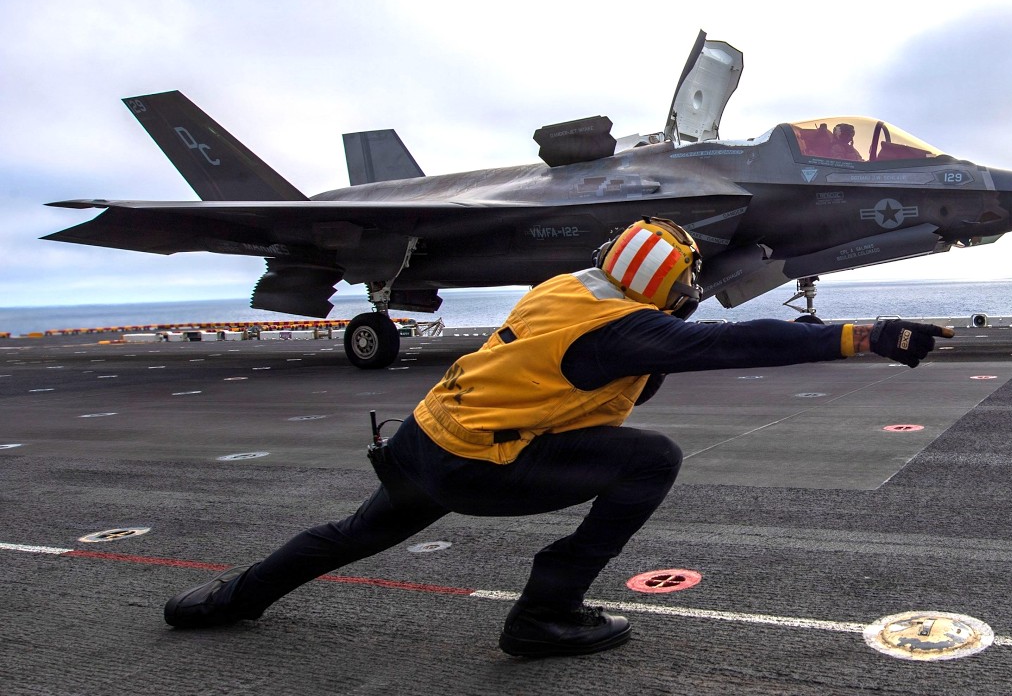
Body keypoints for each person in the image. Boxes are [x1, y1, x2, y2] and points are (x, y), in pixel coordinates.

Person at [164, 218, 951, 657]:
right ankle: (545, 612)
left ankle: (227, 605)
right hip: (480, 463)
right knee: (652, 459)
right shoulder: (622, 332)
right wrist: (867, 335)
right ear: (656, 287)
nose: (690, 291)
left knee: (354, 532)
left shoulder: (567, 287)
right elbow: (736, 345)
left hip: (427, 437)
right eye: (684, 281)